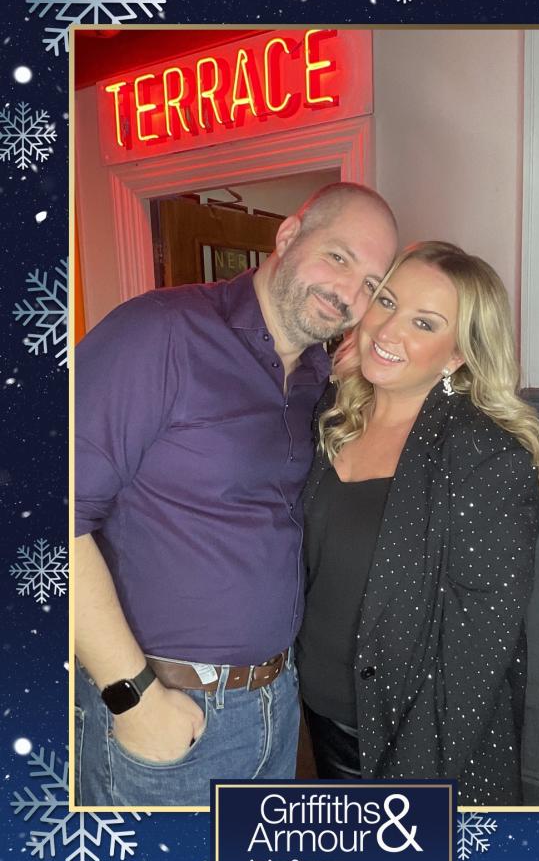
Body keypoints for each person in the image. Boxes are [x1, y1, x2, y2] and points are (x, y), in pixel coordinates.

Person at [74, 182, 398, 807]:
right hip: (166, 710)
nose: (348, 293)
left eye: (371, 285)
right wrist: (130, 696)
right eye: (338, 257)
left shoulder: (318, 379)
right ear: (288, 235)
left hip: (276, 707)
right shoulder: (160, 332)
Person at [296, 240, 539, 804]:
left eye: (424, 322)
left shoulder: (485, 456)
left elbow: (477, 654)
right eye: (386, 302)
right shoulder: (334, 415)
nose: (388, 330)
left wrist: (413, 784)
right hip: (315, 713)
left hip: (413, 737)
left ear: (457, 354)